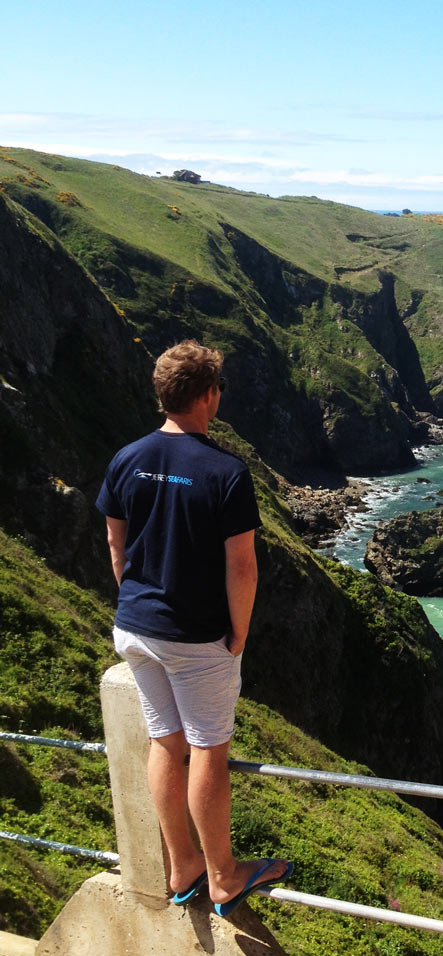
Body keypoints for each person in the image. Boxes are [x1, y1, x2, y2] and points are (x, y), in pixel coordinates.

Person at [96, 340, 291, 916]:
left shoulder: (126, 457)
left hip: (135, 626)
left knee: (165, 741)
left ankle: (182, 866)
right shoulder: (226, 471)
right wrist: (239, 633)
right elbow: (242, 565)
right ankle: (225, 874)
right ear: (208, 396)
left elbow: (116, 542)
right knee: (208, 749)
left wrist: (136, 599)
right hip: (195, 637)